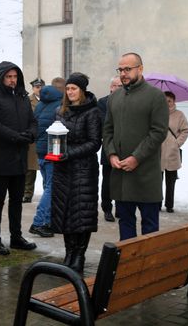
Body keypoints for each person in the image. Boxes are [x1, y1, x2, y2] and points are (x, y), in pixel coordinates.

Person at [103, 53, 169, 241]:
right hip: (121, 175)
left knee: (150, 227)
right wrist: (111, 154)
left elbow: (158, 132)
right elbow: (107, 130)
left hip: (145, 174)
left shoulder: (155, 96)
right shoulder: (114, 97)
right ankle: (127, 258)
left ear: (140, 69)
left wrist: (136, 157)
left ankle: (149, 260)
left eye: (127, 69)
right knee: (125, 223)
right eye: (120, 69)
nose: (123, 73)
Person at [0, 61, 38, 255]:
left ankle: (16, 237)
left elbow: (32, 121)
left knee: (16, 200)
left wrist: (31, 134)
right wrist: (15, 136)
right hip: (0, 158)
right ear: (1, 78)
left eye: (15, 77)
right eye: (8, 77)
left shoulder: (22, 97)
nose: (12, 80)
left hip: (19, 157)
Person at [51, 73, 102, 272]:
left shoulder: (92, 112)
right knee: (64, 212)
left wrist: (70, 153)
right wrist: (54, 150)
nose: (70, 92)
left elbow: (94, 143)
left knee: (81, 214)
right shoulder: (60, 111)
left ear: (82, 90)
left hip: (84, 169)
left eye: (74, 88)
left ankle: (79, 254)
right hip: (63, 169)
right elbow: (55, 136)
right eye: (68, 88)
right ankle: (69, 252)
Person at [28, 84, 63, 238]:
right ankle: (39, 222)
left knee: (47, 186)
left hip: (40, 152)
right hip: (52, 152)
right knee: (51, 188)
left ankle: (48, 222)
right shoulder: (59, 106)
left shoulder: (39, 105)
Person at [97, 76, 123, 221]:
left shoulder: (128, 100)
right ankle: (107, 208)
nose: (118, 88)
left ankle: (120, 207)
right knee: (108, 181)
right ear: (111, 87)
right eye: (115, 85)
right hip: (108, 146)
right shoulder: (102, 102)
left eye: (121, 86)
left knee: (122, 180)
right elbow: (104, 124)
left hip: (124, 148)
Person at [160, 91, 188, 213]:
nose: (167, 103)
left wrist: (177, 143)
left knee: (170, 181)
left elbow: (185, 131)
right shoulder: (157, 113)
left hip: (172, 152)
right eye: (164, 101)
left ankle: (169, 204)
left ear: (173, 101)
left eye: (169, 101)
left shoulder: (179, 115)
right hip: (158, 152)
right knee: (157, 181)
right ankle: (157, 203)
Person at [23, 78, 44, 203]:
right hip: (32, 138)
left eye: (41, 87)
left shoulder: (47, 100)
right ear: (33, 88)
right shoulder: (27, 101)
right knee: (30, 170)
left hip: (44, 137)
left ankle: (47, 193)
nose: (39, 89)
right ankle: (27, 194)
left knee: (45, 168)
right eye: (37, 87)